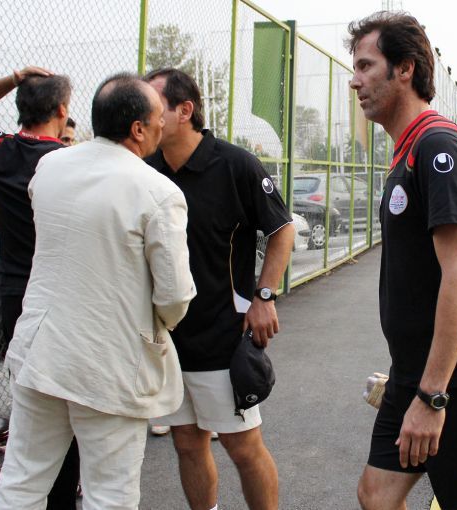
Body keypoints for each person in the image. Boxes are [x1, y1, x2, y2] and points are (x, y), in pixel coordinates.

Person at [0, 73, 196, 509]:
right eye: (157, 118)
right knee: (110, 494)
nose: (162, 125)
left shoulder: (51, 167)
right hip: (110, 364)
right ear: (138, 128)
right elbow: (175, 296)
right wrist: (160, 322)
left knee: (22, 480)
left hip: (40, 352)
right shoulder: (159, 192)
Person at [347, 12, 457, 510]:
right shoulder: (409, 149)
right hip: (413, 373)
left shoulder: (438, 147)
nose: (354, 81)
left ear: (405, 69)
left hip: (456, 379)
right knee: (377, 496)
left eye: (366, 66)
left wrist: (433, 396)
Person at [143, 68, 294, 510]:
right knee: (187, 443)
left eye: (153, 105)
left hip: (223, 337)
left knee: (243, 447)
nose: (143, 115)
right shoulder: (146, 169)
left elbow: (282, 229)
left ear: (184, 110)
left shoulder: (235, 164)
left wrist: (264, 297)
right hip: (166, 341)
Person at [0, 67, 81, 509]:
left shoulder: (0, 150)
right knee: (70, 408)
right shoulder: (70, 163)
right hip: (67, 298)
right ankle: (63, 496)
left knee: (31, 407)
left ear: (19, 107)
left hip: (17, 299)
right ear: (62, 110)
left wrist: (14, 77)